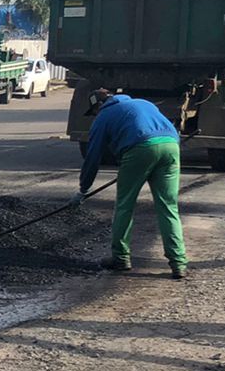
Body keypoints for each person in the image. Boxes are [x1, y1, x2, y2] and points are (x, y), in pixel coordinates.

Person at [79, 89, 188, 279]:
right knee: (168, 207)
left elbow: (93, 156)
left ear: (99, 105)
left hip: (139, 148)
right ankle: (178, 263)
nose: (95, 115)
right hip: (171, 147)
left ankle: (121, 258)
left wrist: (83, 189)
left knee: (125, 205)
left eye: (94, 111)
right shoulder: (144, 103)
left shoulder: (104, 115)